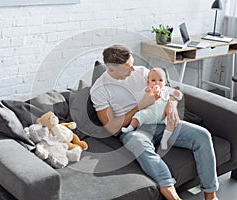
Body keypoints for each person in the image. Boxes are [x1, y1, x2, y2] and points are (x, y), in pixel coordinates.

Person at [90, 44, 219, 200]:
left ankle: (211, 195)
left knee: (202, 135)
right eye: (128, 68)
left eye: (132, 64)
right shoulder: (100, 89)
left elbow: (171, 91)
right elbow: (113, 129)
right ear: (111, 69)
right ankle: (174, 197)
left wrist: (171, 104)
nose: (133, 70)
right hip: (134, 130)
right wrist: (139, 106)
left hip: (160, 121)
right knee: (140, 144)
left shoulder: (142, 72)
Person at [121, 67, 183, 150]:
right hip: (151, 113)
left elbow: (178, 95)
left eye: (160, 80)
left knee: (171, 121)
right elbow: (141, 98)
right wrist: (150, 91)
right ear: (148, 82)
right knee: (139, 115)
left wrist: (177, 94)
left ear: (165, 82)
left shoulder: (167, 90)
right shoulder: (148, 90)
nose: (157, 83)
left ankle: (164, 140)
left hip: (164, 113)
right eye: (153, 80)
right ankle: (130, 128)